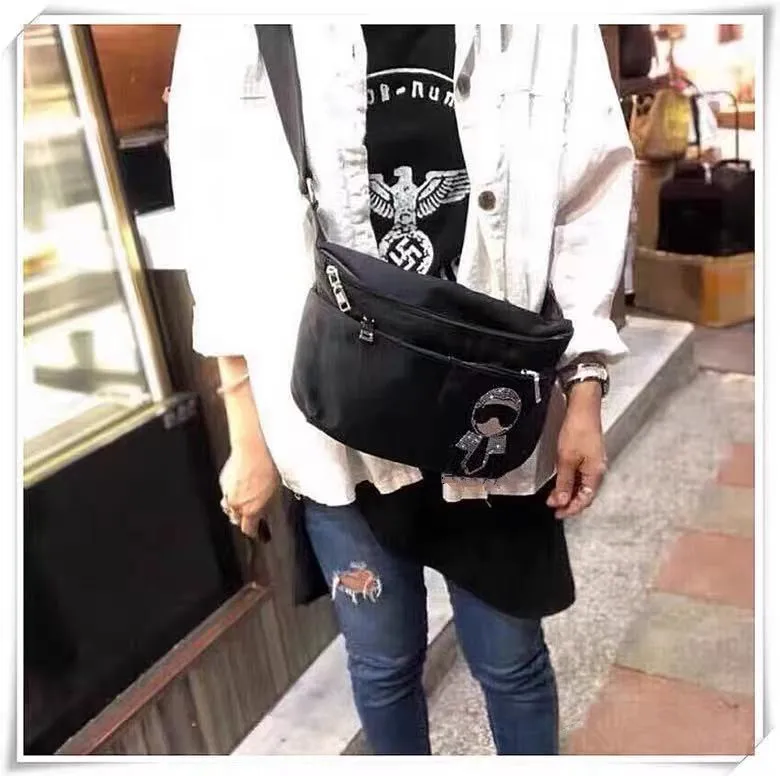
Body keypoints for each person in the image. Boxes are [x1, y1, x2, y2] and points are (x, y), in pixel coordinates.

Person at [168, 23, 633, 756]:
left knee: (511, 661)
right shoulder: (233, 23)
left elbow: (591, 193)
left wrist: (585, 385)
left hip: (488, 410)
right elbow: (212, 217)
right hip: (339, 421)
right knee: (383, 663)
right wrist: (246, 427)